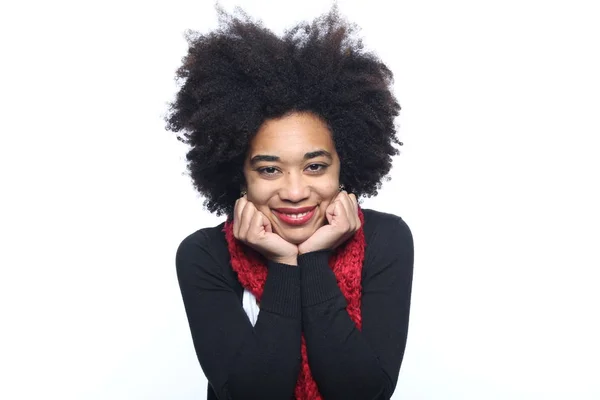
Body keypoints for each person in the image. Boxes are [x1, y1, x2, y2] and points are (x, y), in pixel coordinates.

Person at [167, 6, 414, 400]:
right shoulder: (205, 254)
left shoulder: (386, 239)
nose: (296, 191)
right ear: (239, 176)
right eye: (269, 170)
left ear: (342, 167)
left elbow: (365, 393)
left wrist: (313, 259)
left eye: (315, 166)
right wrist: (285, 264)